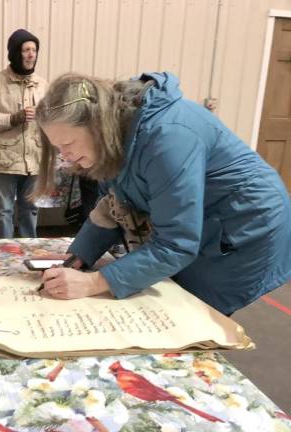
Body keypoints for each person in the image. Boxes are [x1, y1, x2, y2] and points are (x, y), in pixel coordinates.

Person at [33, 72, 291, 316]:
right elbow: (114, 203)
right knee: (168, 300)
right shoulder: (116, 130)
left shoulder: (167, 137)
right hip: (203, 224)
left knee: (192, 315)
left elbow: (176, 244)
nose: (64, 157)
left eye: (67, 145)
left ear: (96, 126)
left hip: (246, 230)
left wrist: (92, 283)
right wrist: (78, 255)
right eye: (58, 148)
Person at [0, 29, 48, 238]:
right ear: (15, 53)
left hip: (34, 160)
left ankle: (28, 253)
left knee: (30, 210)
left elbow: (53, 119)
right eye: (26, 50)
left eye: (34, 50)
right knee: (4, 212)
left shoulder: (43, 85)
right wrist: (11, 118)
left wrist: (45, 116)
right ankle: (4, 254)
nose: (31, 54)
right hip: (6, 161)